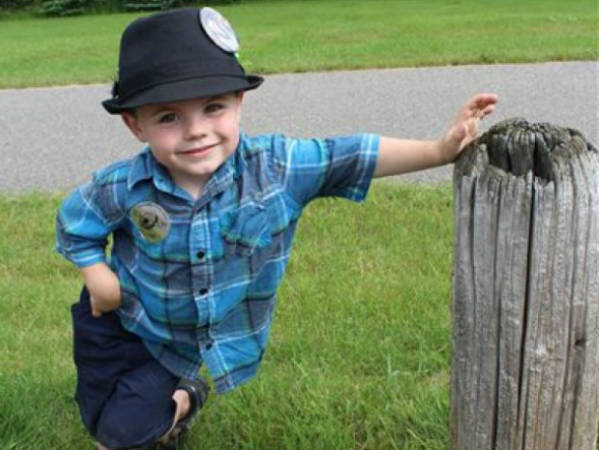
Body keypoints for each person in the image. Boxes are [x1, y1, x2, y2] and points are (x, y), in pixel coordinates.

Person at [55, 6, 498, 450]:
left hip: (178, 342)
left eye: (213, 107)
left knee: (121, 433)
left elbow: (352, 156)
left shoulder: (275, 168)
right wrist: (96, 273)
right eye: (168, 117)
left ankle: (180, 399)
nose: (196, 131)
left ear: (239, 102)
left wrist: (438, 150)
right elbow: (76, 221)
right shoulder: (122, 185)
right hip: (118, 317)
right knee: (96, 410)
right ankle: (170, 404)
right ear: (136, 124)